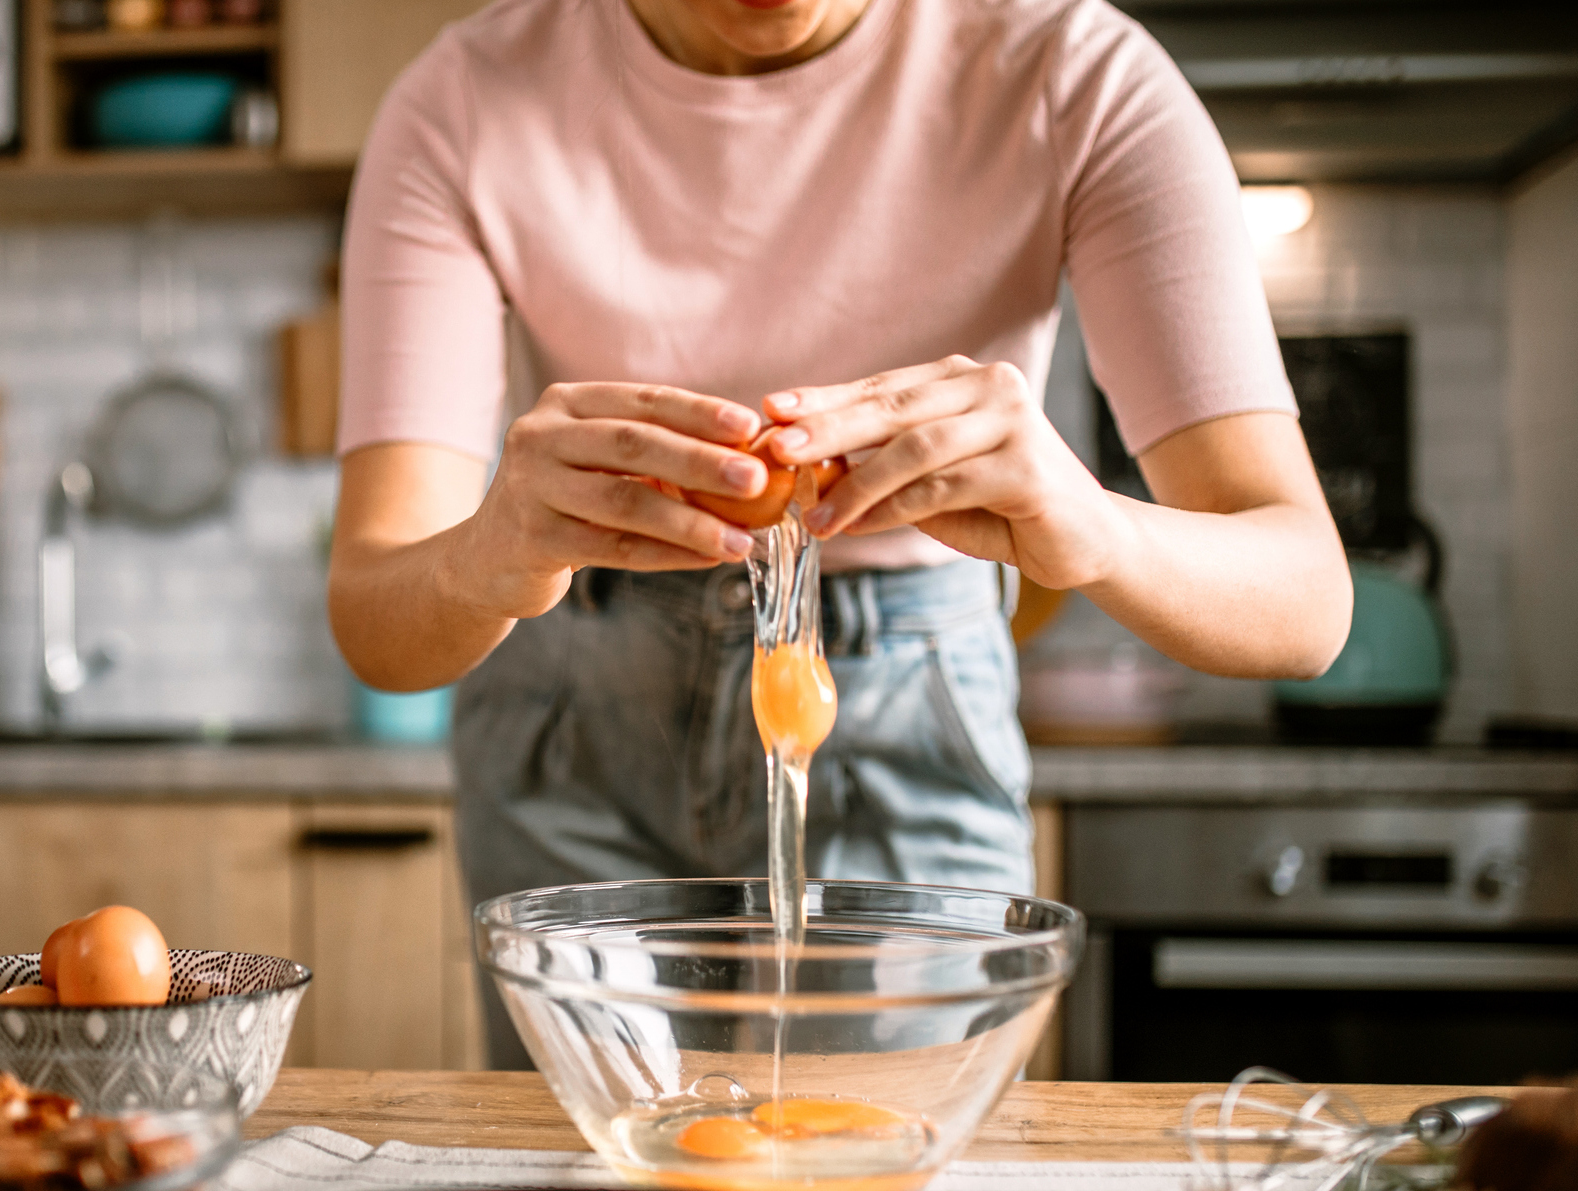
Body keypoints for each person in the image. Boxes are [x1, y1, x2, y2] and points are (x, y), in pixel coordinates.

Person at [325, 0, 1353, 1069]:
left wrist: (1088, 524)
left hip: (915, 710)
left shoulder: (1070, 74)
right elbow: (375, 618)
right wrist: (488, 551)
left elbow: (1302, 603)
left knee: (891, 1153)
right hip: (571, 721)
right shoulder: (465, 99)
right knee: (596, 1162)